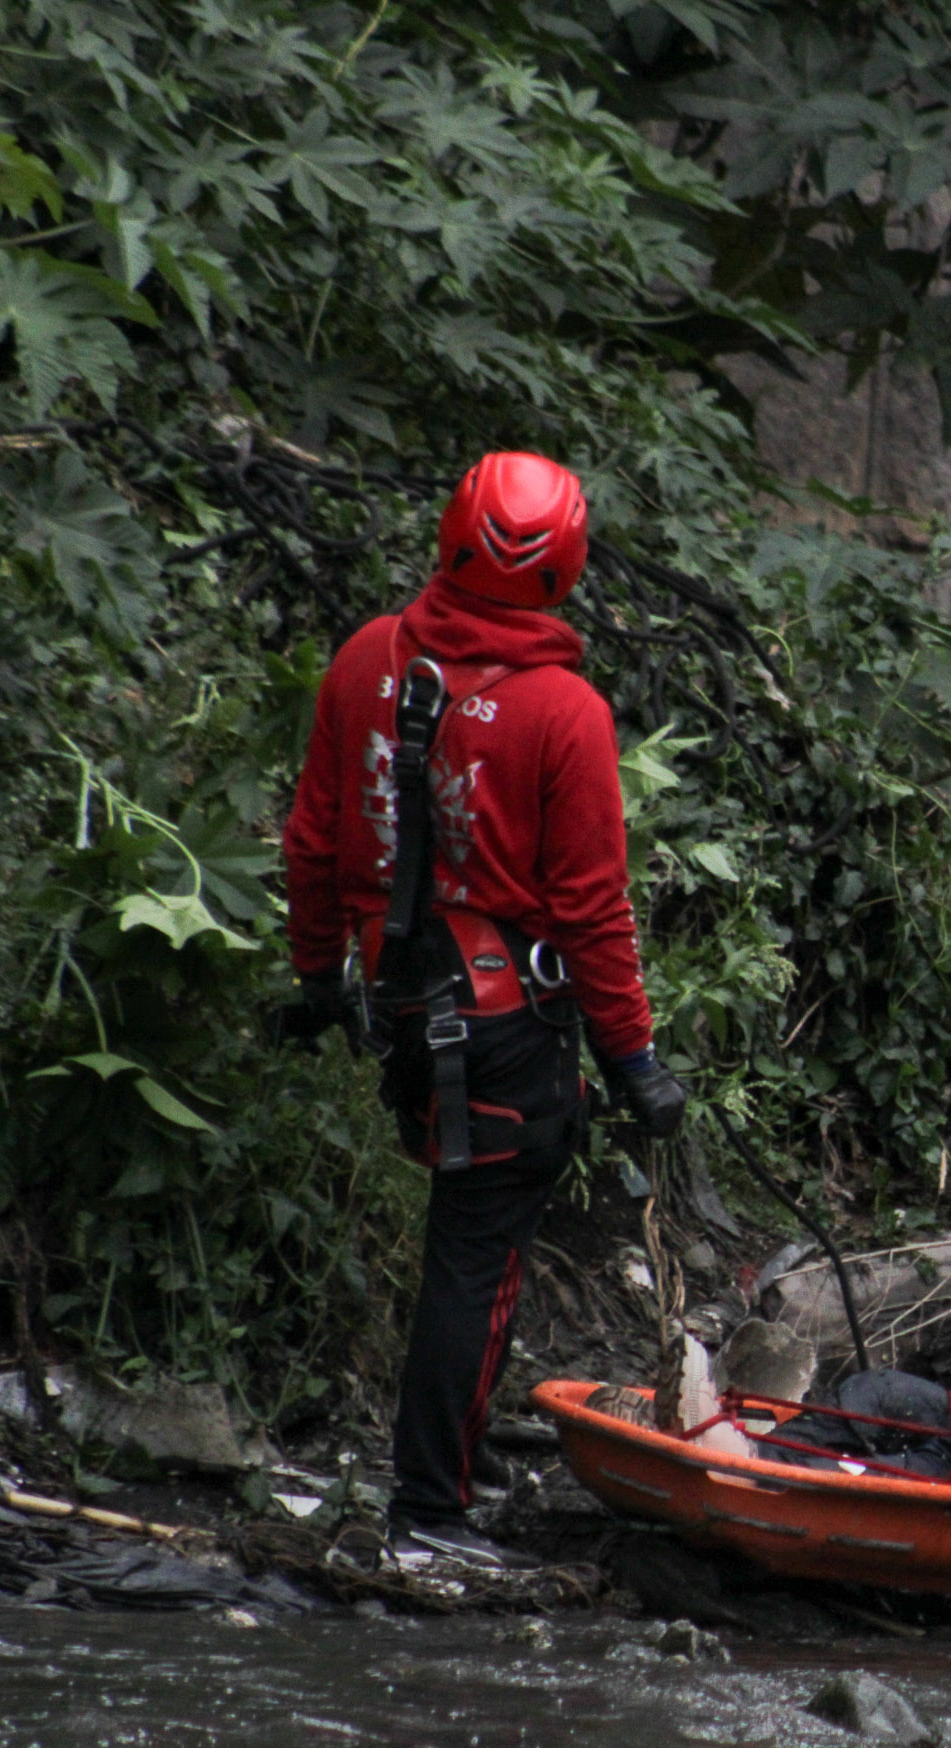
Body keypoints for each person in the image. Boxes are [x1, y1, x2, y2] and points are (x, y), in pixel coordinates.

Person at [278, 451, 687, 1571]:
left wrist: (322, 978)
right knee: (478, 1258)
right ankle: (433, 1512)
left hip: (408, 1005)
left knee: (465, 1246)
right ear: (568, 566)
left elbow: (315, 837)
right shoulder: (564, 711)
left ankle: (448, 1471)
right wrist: (635, 1057)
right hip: (505, 1029)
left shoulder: (370, 658)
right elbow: (593, 908)